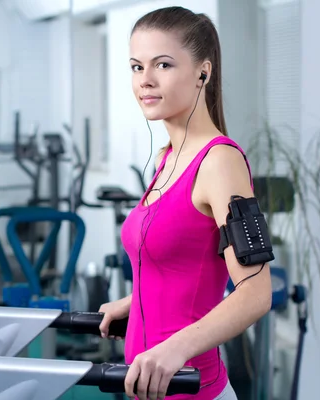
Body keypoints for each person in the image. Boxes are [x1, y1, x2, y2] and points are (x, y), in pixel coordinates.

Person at [98, 7, 272, 400]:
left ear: (202, 73)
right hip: (148, 385)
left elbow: (254, 292)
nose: (146, 81)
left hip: (193, 389)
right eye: (136, 67)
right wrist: (135, 302)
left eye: (162, 64)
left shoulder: (219, 162)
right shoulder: (166, 158)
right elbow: (185, 265)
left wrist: (175, 347)